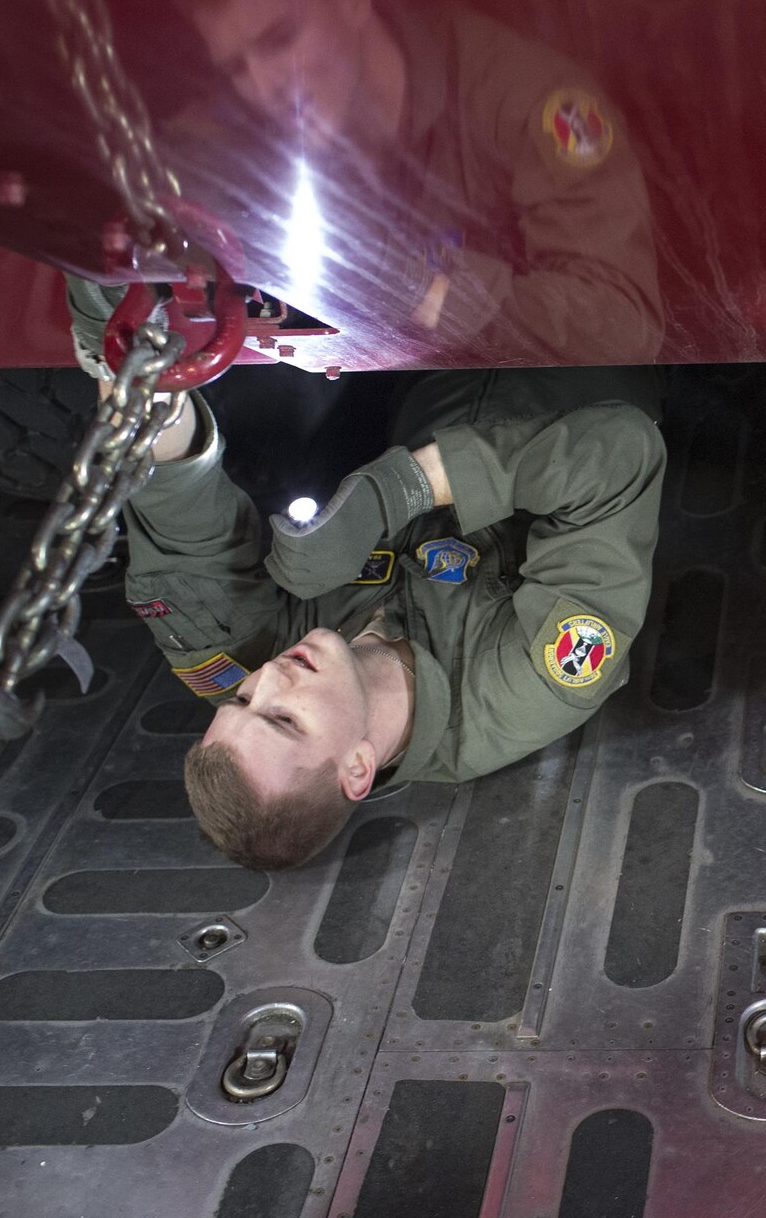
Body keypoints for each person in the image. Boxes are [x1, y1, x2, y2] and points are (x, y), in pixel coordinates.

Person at [81, 290, 664, 869]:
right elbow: (620, 457)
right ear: (357, 768)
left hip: (435, 335)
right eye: (284, 719)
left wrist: (128, 354)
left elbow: (179, 519)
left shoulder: (257, 661)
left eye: (241, 698)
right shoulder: (531, 685)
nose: (272, 678)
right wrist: (399, 490)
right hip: (587, 329)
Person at [169, 0, 664, 363]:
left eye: (281, 38)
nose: (263, 86)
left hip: (531, 402)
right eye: (236, 68)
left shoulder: (527, 101)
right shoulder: (270, 122)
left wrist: (413, 282)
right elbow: (182, 159)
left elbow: (621, 324)